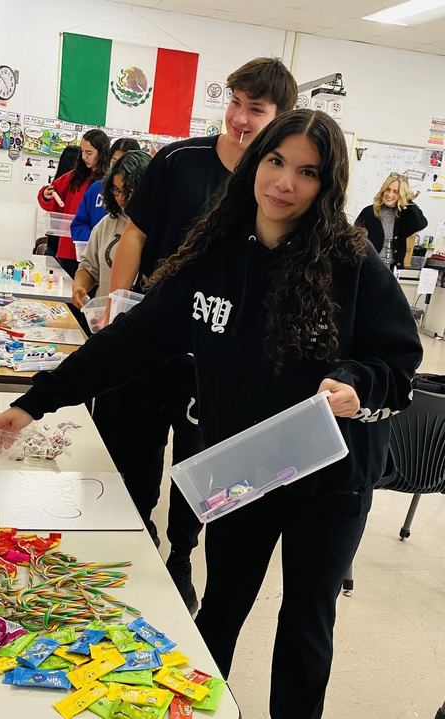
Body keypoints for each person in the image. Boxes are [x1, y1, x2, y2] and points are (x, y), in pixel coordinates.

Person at [0, 110, 423, 719]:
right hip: (245, 467)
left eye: (307, 172)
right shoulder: (214, 253)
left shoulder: (354, 263)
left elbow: (398, 369)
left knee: (305, 624)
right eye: (275, 161)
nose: (285, 182)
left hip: (331, 478)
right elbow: (132, 341)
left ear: (328, 184)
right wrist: (36, 401)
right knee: (221, 607)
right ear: (255, 161)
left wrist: (353, 384)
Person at [103, 57, 298, 611]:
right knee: (133, 456)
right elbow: (134, 238)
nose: (238, 118)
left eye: (254, 110)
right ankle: (135, 539)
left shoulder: (275, 187)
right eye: (234, 103)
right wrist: (119, 314)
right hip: (152, 342)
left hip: (218, 361)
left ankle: (181, 556)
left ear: (279, 117)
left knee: (199, 467)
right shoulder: (178, 160)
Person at [72, 150, 150, 308]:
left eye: (128, 191)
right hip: (105, 319)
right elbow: (88, 268)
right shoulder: (107, 223)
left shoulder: (161, 228)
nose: (121, 198)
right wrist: (80, 287)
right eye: (116, 190)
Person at [37, 129, 111, 276]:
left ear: (102, 153)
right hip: (68, 248)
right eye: (82, 152)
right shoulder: (75, 176)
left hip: (95, 250)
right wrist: (46, 195)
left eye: (89, 153)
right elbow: (51, 196)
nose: (84, 157)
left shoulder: (109, 182)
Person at [71, 137, 141, 244]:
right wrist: (96, 241)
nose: (119, 167)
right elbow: (78, 225)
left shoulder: (142, 194)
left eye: (125, 163)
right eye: (115, 162)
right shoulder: (96, 189)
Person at [355, 173, 427, 269]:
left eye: (396, 192)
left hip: (393, 269)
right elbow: (354, 240)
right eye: (388, 189)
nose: (390, 194)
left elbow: (421, 223)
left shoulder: (404, 215)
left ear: (402, 194)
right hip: (370, 268)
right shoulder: (368, 212)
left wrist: (408, 201)